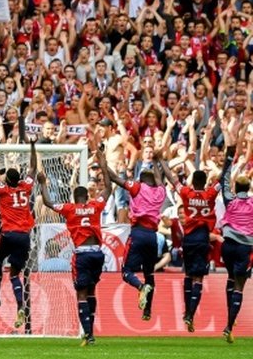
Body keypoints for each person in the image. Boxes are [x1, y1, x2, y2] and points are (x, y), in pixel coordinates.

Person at [37, 150, 109, 346]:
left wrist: (43, 183)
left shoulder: (69, 208)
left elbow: (48, 202)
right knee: (92, 291)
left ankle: (88, 334)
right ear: (86, 196)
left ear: (74, 197)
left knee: (81, 294)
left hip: (82, 255)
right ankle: (91, 331)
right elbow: (109, 190)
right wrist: (103, 164)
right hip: (97, 253)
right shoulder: (95, 206)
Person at [104, 154, 166, 320]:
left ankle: (140, 287)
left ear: (141, 180)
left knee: (126, 272)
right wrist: (156, 161)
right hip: (153, 237)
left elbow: (116, 178)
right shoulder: (160, 192)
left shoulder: (137, 187)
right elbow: (160, 180)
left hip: (138, 233)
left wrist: (104, 163)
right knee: (149, 274)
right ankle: (147, 311)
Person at [0, 134, 37, 329]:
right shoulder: (26, 187)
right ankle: (21, 306)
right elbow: (33, 168)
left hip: (8, 234)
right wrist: (32, 145)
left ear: (6, 179)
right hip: (24, 236)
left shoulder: (3, 190)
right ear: (20, 179)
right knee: (15, 275)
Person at [162, 164, 218, 333]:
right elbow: (222, 180)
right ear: (205, 181)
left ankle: (187, 311)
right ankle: (190, 314)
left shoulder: (186, 192)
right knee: (198, 279)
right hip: (202, 238)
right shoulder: (211, 194)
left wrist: (163, 161)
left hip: (188, 239)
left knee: (188, 275)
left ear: (193, 182)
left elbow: (173, 180)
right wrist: (230, 156)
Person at [219, 145, 253, 344]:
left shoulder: (229, 199)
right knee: (240, 285)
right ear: (248, 189)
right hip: (245, 247)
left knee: (230, 279)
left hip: (228, 245)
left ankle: (229, 314)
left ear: (236, 188)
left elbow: (224, 179)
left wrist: (229, 158)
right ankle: (229, 326)